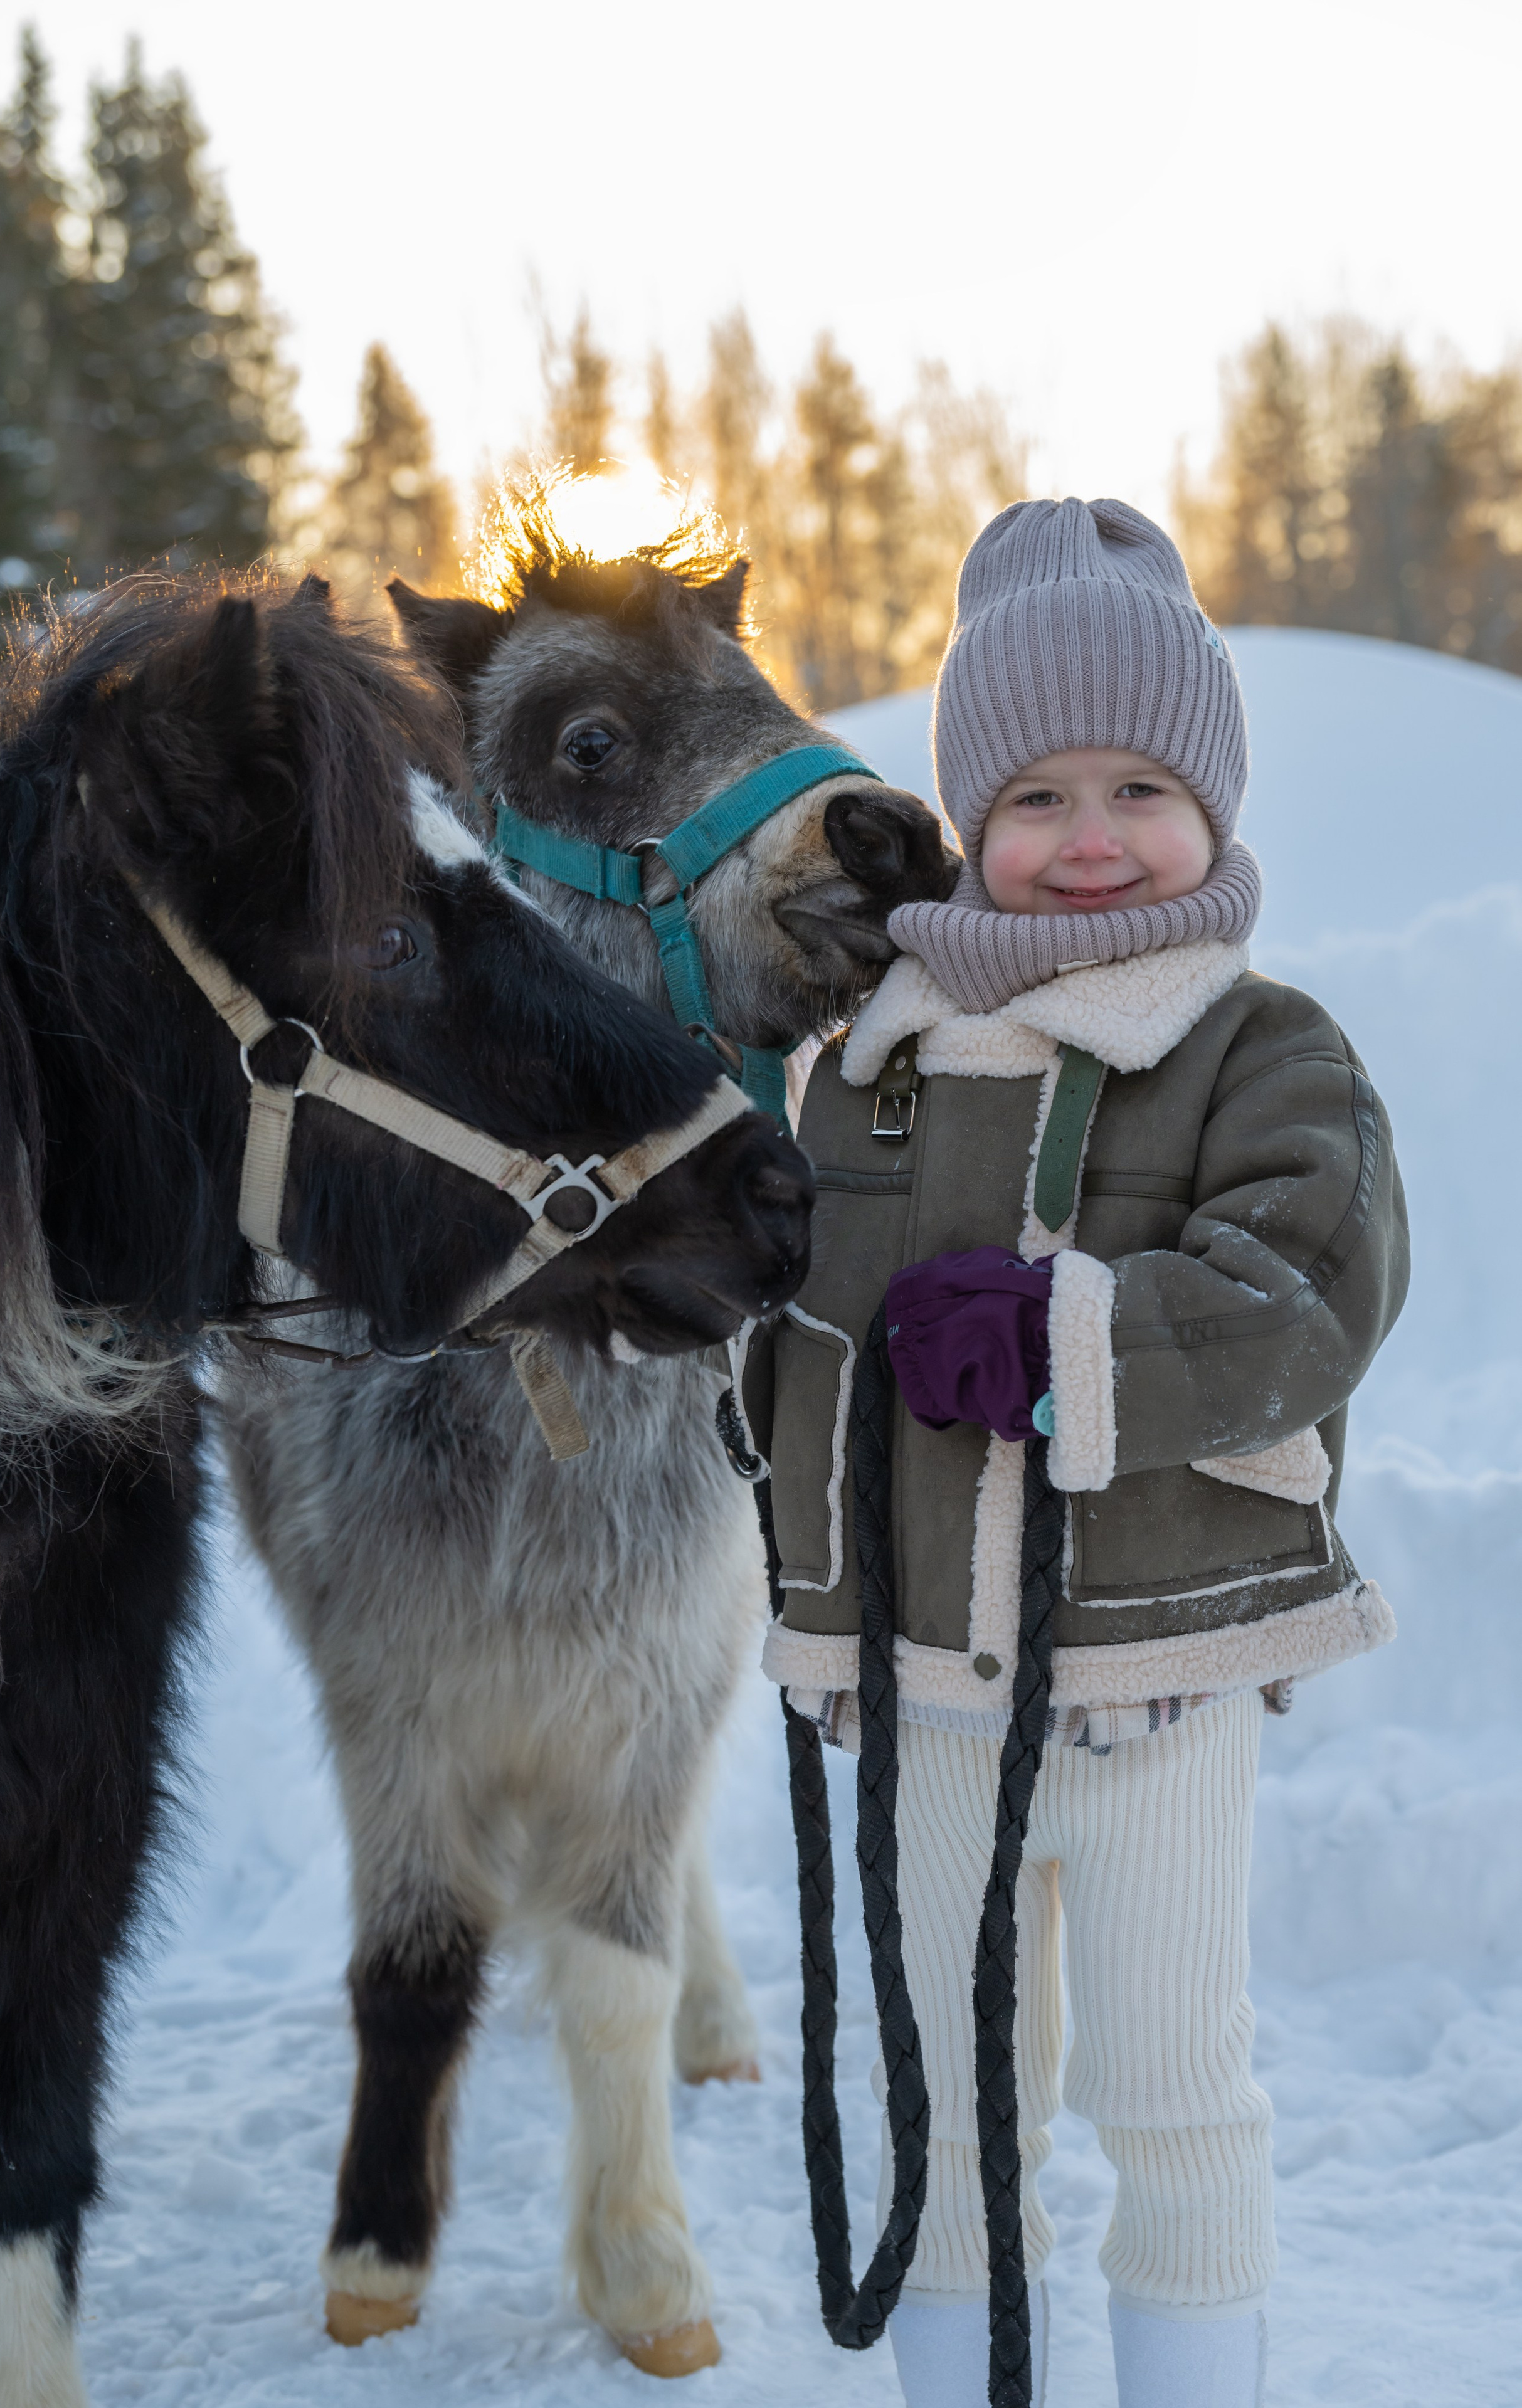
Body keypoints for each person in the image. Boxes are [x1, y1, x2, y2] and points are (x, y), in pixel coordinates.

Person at [749, 499, 1410, 2408]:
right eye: (1035, 795)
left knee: (1170, 2087)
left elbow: (1309, 1291)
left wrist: (1069, 1337)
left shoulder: (1261, 1047)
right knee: (948, 2102)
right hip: (918, 1697)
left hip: (1152, 1683)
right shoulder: (864, 1061)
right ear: (971, 816)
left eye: (1140, 783)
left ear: (1213, 805)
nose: (1091, 834)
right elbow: (777, 1305)